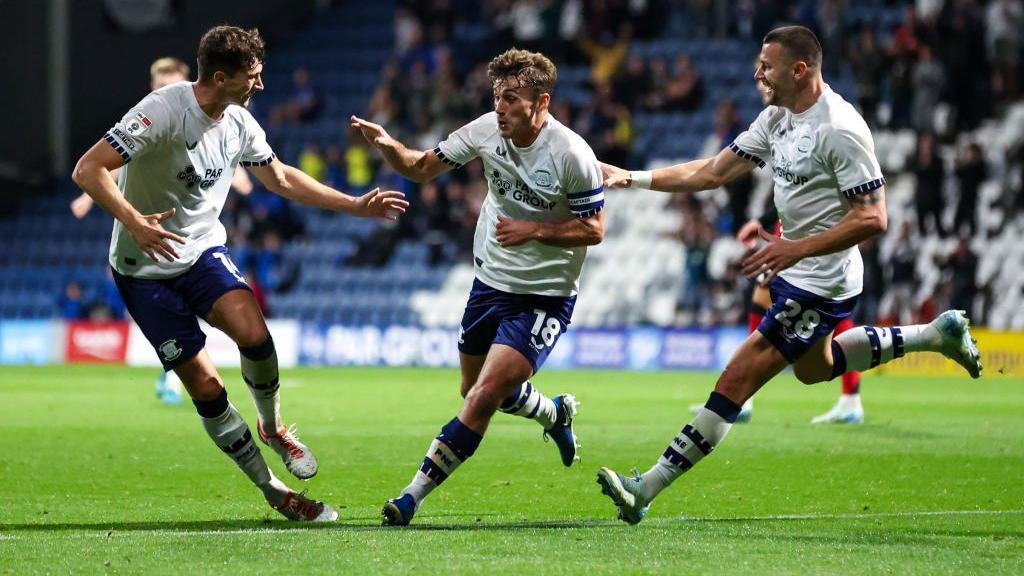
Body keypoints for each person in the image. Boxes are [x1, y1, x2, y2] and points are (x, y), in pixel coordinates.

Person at [596, 26, 982, 525]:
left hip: (821, 280)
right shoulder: (777, 117)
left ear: (799, 69)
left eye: (767, 66)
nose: (758, 73)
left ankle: (644, 489)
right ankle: (933, 334)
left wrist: (794, 247)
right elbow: (714, 172)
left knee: (737, 377)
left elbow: (873, 218)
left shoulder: (840, 128)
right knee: (813, 369)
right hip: (795, 265)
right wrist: (634, 178)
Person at [71, 25, 408, 522]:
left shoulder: (239, 122)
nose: (261, 84)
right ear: (222, 76)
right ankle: (275, 492)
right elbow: (88, 168)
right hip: (143, 268)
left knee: (255, 334)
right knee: (206, 389)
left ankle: (273, 429)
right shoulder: (162, 110)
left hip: (202, 251)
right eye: (253, 75)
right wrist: (133, 221)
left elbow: (281, 177)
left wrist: (353, 205)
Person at [351, 48, 605, 526]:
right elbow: (420, 166)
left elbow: (595, 229)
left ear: (541, 103)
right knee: (472, 388)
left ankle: (411, 495)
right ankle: (554, 414)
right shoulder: (485, 130)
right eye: (497, 97)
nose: (501, 108)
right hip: (489, 283)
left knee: (483, 395)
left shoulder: (573, 155)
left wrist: (535, 230)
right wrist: (386, 144)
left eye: (512, 98)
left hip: (544, 296)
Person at [72, 57, 253, 404]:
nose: (165, 91)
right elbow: (108, 166)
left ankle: (184, 371)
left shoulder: (205, 121)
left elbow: (228, 155)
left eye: (170, 84)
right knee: (163, 315)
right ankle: (176, 371)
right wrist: (86, 196)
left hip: (191, 239)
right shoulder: (147, 121)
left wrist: (242, 175)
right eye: (159, 86)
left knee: (200, 306)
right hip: (144, 239)